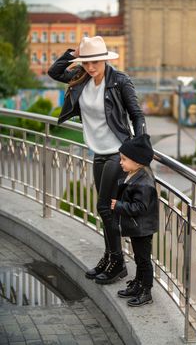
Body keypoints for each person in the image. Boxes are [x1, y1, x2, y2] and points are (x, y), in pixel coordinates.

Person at [48, 36, 146, 284]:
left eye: (95, 62)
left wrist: (140, 149)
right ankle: (110, 257)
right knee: (104, 210)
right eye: (86, 62)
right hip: (98, 153)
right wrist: (74, 53)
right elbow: (53, 71)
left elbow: (136, 114)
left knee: (105, 206)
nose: (91, 67)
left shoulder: (119, 81)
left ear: (105, 58)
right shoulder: (81, 78)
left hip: (117, 152)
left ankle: (118, 263)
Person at [111, 134, 159, 306]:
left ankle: (146, 291)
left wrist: (118, 206)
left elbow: (139, 208)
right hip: (138, 227)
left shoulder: (144, 183)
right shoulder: (135, 173)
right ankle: (138, 284)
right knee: (139, 258)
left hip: (143, 228)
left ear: (138, 161)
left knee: (144, 260)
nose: (120, 162)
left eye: (124, 159)